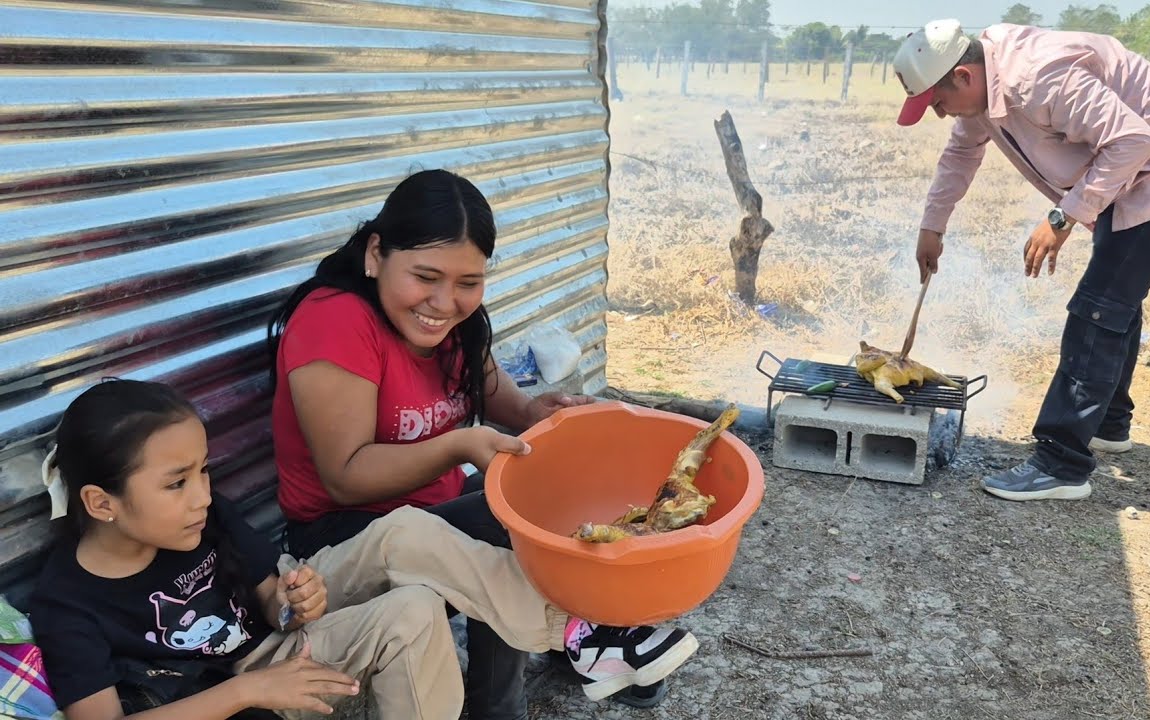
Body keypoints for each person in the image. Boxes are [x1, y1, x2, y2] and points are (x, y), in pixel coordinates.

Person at [27, 379, 699, 720]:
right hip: (228, 693)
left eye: (203, 472)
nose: (202, 495)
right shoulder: (67, 603)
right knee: (413, 605)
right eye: (177, 483)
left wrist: (294, 600)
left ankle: (580, 631)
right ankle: (584, 636)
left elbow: (270, 598)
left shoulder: (202, 516)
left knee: (407, 540)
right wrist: (249, 689)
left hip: (273, 647)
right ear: (101, 503)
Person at [265, 169, 667, 712]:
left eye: (467, 283)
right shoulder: (335, 321)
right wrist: (457, 446)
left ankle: (578, 640)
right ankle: (514, 696)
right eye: (425, 277)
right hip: (344, 539)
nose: (444, 302)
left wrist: (536, 414)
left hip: (431, 512)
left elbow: (492, 391)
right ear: (376, 254)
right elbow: (345, 476)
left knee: (543, 490)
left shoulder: (453, 322)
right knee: (507, 522)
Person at [892, 19, 1150, 501]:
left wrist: (1062, 217)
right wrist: (933, 225)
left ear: (963, 76)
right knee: (1115, 295)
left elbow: (1133, 140)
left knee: (1098, 307)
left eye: (937, 102)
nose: (939, 113)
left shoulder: (1037, 77)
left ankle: (1061, 464)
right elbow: (960, 155)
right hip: (1137, 175)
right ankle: (1108, 423)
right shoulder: (984, 88)